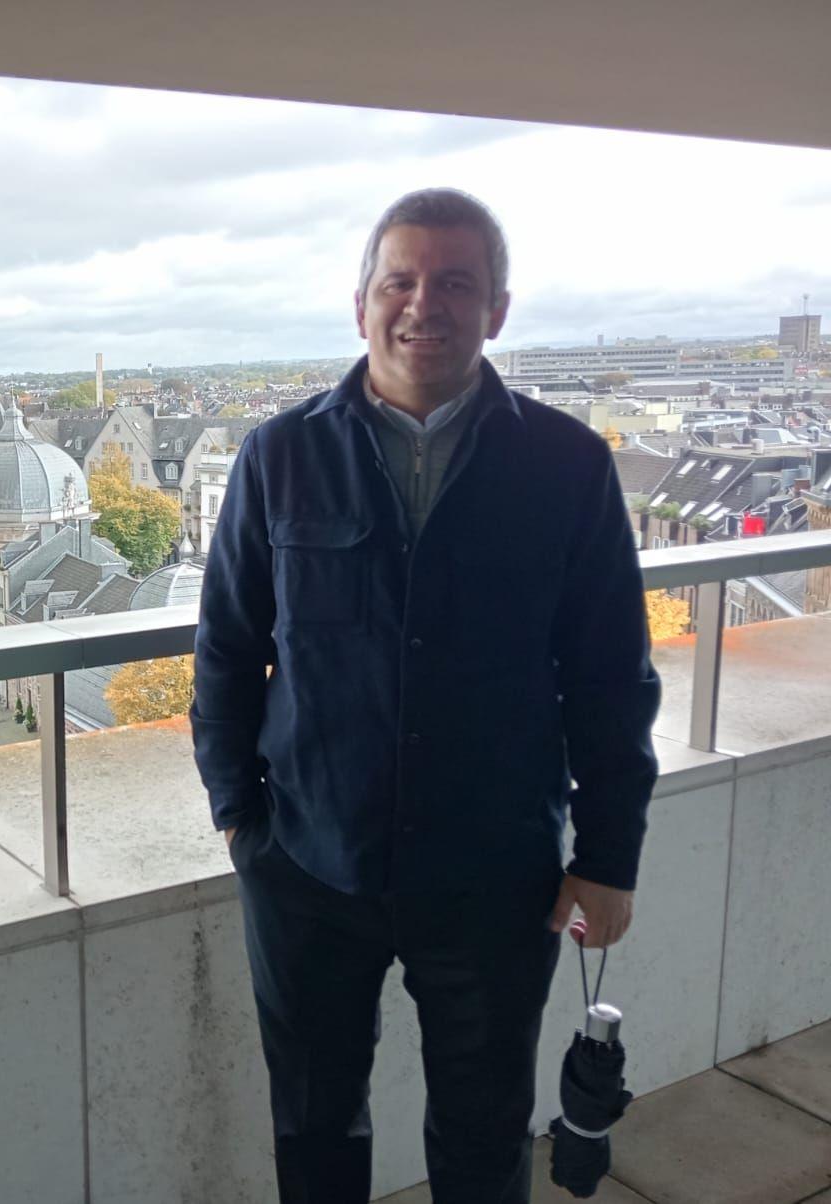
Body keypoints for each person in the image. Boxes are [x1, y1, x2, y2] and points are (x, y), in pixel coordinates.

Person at [191, 188, 660, 1203]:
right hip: (309, 870)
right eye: (399, 280)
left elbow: (609, 676)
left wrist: (608, 857)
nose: (422, 305)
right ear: (359, 300)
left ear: (496, 308)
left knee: (484, 1138)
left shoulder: (567, 466)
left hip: (493, 877)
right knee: (313, 1128)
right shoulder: (278, 457)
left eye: (455, 283)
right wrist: (239, 817)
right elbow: (226, 648)